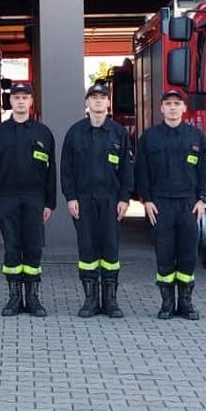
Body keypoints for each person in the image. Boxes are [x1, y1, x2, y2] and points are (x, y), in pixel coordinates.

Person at [134, 89, 206, 320]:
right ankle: (167, 304)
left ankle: (186, 304)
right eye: (168, 104)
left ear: (183, 108)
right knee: (165, 254)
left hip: (189, 204)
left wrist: (202, 198)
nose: (172, 107)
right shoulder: (150, 137)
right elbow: (141, 171)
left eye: (177, 104)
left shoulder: (195, 136)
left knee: (188, 255)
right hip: (161, 205)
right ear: (161, 108)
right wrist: (147, 200)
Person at [61, 83, 134, 318]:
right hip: (84, 201)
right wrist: (70, 197)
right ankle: (90, 301)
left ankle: (110, 302)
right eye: (94, 97)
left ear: (108, 102)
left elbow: (127, 169)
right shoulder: (75, 133)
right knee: (87, 251)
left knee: (111, 251)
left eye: (102, 97)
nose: (98, 101)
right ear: (87, 102)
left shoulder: (118, 133)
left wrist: (125, 198)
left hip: (111, 201)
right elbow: (66, 169)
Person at [0, 82, 56, 317]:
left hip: (35, 198)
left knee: (34, 248)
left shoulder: (43, 133)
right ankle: (14, 298)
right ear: (10, 101)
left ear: (31, 101)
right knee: (12, 248)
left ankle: (33, 298)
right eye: (16, 97)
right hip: (7, 198)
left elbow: (51, 170)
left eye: (25, 97)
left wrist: (50, 202)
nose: (21, 101)